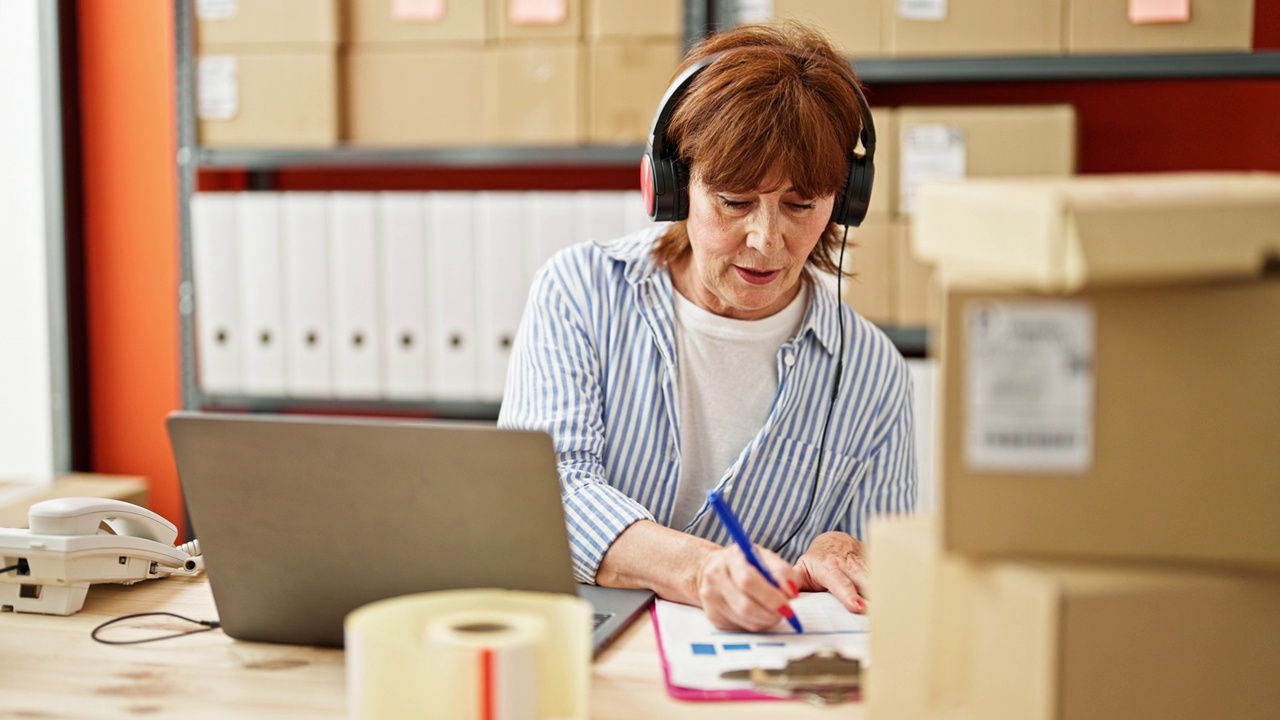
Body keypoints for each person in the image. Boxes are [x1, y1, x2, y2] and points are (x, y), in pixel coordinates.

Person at [498, 21, 916, 632]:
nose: (766, 240)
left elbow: (881, 580)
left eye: (801, 205)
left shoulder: (873, 373)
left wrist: (842, 549)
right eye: (735, 200)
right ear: (672, 186)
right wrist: (701, 570)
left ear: (844, 201)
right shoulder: (580, 293)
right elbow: (542, 498)